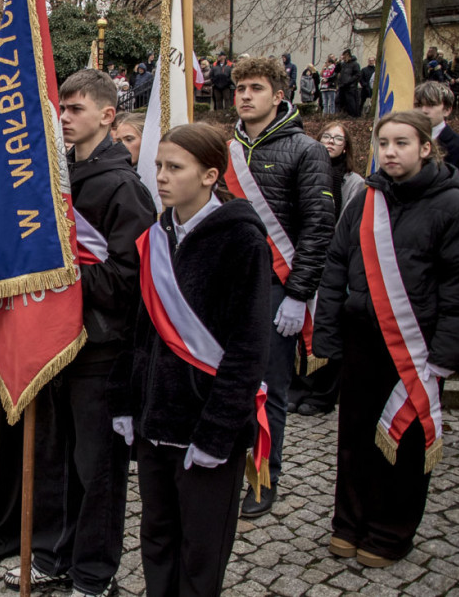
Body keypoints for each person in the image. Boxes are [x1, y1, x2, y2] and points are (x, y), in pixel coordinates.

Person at [4, 70, 154, 596]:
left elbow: (129, 277)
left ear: (108, 116)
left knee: (97, 470)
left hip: (101, 349)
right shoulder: (54, 179)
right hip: (53, 341)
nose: (64, 118)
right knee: (52, 459)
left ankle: (94, 573)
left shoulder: (124, 188)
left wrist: (60, 275)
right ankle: (52, 554)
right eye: (61, 109)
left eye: (75, 109)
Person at [110, 122, 271, 597]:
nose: (160, 176)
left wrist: (218, 432)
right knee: (157, 537)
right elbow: (137, 330)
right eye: (158, 165)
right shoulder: (157, 236)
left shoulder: (242, 240)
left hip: (206, 424)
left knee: (201, 548)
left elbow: (248, 349)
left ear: (209, 175)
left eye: (174, 167)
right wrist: (126, 400)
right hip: (156, 420)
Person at [314, 109, 459, 568]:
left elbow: (457, 287)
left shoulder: (452, 205)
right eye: (383, 143)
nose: (390, 152)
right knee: (355, 438)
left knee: (405, 444)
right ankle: (348, 524)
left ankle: (389, 532)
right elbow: (336, 264)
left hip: (415, 347)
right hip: (362, 338)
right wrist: (327, 335)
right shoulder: (366, 198)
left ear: (426, 148)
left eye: (401, 143)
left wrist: (445, 355)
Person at [228, 56, 335, 518]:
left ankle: (262, 478)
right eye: (240, 89)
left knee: (268, 390)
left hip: (276, 289)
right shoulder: (226, 149)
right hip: (229, 288)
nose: (245, 96)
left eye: (255, 88)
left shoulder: (306, 151)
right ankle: (223, 470)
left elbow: (318, 229)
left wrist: (297, 294)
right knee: (227, 383)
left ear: (278, 95)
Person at [287, 122, 364, 418]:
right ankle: (298, 387)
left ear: (346, 148)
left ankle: (322, 394)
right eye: (326, 137)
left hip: (334, 261)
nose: (330, 142)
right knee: (300, 327)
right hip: (306, 257)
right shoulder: (303, 172)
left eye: (337, 139)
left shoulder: (354, 183)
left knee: (328, 326)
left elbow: (349, 224)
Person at [414, 81, 459, 168]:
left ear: (447, 110)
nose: (423, 110)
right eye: (418, 105)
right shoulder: (403, 140)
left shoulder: (457, 146)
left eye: (431, 105)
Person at [338, 49, 361, 117]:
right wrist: (338, 63)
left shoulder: (355, 64)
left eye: (344, 56)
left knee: (351, 102)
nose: (343, 58)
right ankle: (344, 114)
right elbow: (337, 70)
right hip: (342, 86)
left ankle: (353, 115)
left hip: (350, 87)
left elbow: (357, 75)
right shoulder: (343, 64)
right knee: (341, 101)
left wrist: (349, 81)